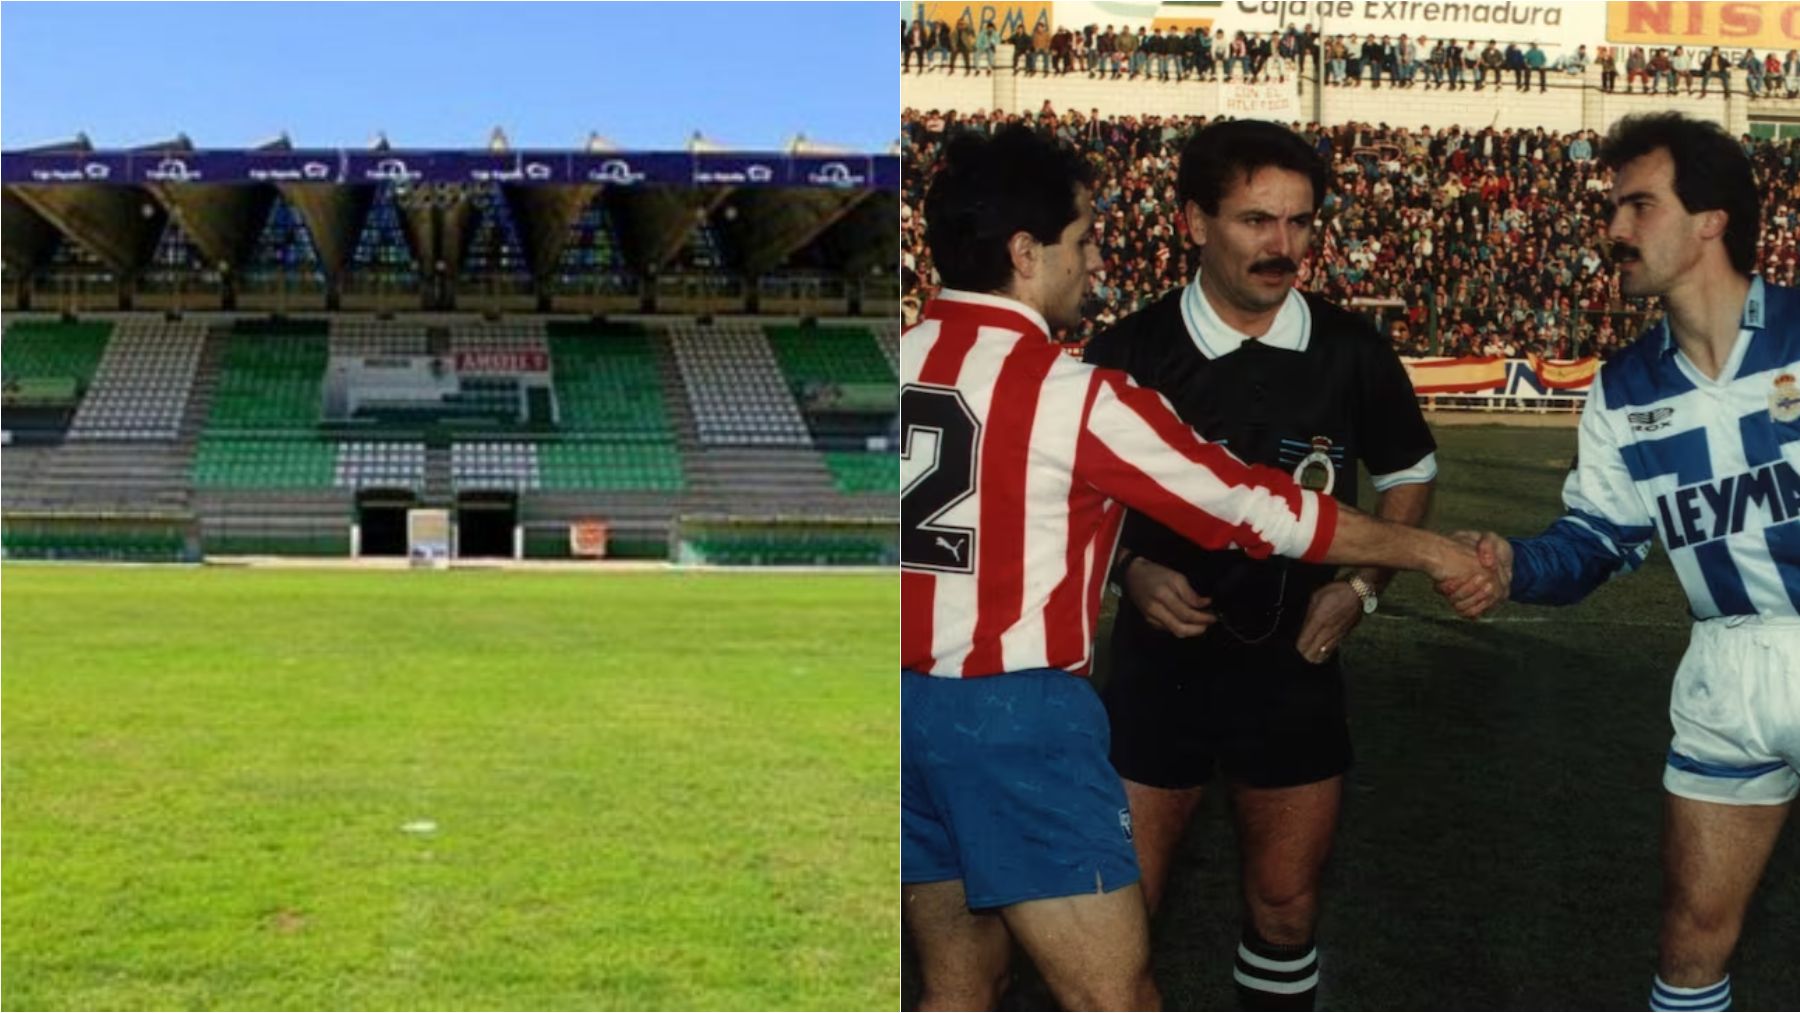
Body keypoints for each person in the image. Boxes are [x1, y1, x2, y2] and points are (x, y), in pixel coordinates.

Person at [902, 125, 1497, 1012]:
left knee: (957, 982)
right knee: (1115, 996)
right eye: (1084, 240)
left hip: (898, 713)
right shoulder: (1077, 392)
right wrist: (1432, 551)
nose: (1096, 261)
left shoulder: (890, 363)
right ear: (1026, 254)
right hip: (1017, 715)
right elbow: (1259, 508)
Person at [1083, 118, 1441, 1011]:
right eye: (1255, 221)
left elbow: (1411, 474)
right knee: (1120, 914)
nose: (1283, 247)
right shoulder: (1129, 350)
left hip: (1294, 667)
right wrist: (1130, 568)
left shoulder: (1352, 350)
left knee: (1285, 908)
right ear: (1192, 220)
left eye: (1300, 222)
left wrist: (1362, 587)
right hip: (1156, 672)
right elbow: (1074, 498)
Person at [1448, 112, 1797, 1013]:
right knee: (1690, 939)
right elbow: (1599, 539)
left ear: (1711, 218)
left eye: (1639, 205)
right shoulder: (1623, 385)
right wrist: (1516, 563)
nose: (1613, 230)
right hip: (1727, 669)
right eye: (1613, 208)